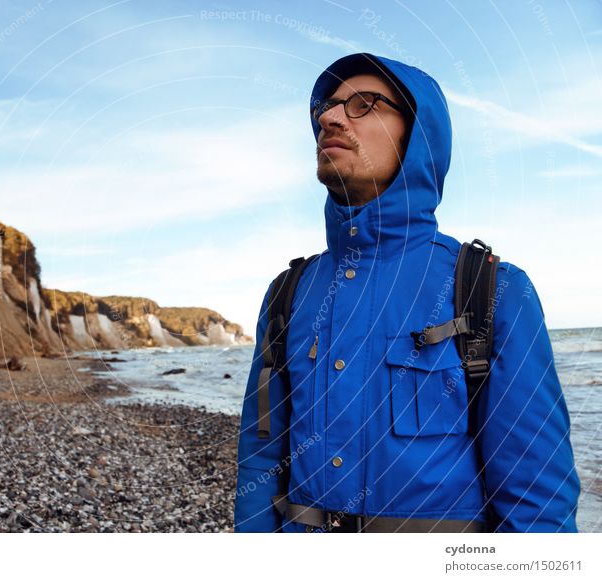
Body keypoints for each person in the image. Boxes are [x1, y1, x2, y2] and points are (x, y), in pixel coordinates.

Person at [233, 52, 581, 533]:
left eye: (362, 104)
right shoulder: (288, 293)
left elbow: (538, 499)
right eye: (327, 107)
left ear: (419, 136)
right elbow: (259, 458)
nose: (329, 117)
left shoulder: (490, 289)